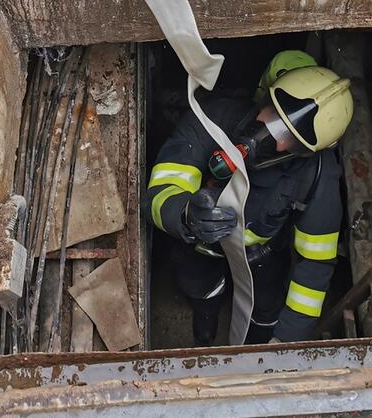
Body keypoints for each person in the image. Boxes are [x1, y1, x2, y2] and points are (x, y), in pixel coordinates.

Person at [141, 50, 353, 345]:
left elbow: (315, 264)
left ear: (311, 151)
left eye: (292, 140)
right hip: (202, 246)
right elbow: (157, 194)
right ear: (264, 96)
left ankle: (256, 341)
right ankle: (205, 325)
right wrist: (186, 214)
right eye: (274, 117)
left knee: (265, 309)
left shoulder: (317, 175)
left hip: (261, 259)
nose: (275, 141)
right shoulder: (214, 118)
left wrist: (287, 341)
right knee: (200, 288)